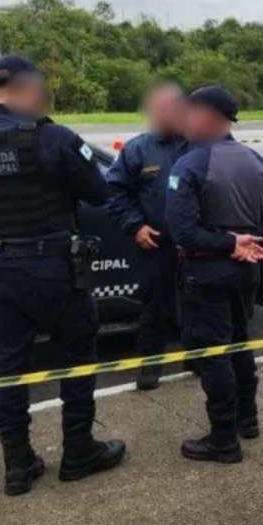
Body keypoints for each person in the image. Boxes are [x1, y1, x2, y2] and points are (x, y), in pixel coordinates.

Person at [0, 55, 125, 496]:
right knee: (78, 359)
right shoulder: (55, 138)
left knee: (8, 369)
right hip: (54, 270)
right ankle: (79, 452)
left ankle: (18, 465)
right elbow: (99, 192)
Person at [165, 85, 263, 463]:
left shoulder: (190, 165)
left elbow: (182, 231)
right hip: (245, 273)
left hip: (206, 272)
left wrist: (229, 243)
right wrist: (253, 242)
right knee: (239, 341)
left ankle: (223, 439)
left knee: (214, 354)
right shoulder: (260, 163)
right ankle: (247, 419)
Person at [104, 82, 189, 390]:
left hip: (198, 245)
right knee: (154, 309)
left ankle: (199, 360)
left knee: (198, 305)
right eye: (159, 109)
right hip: (156, 244)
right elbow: (115, 192)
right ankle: (150, 367)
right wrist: (135, 225)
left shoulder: (201, 144)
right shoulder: (138, 149)